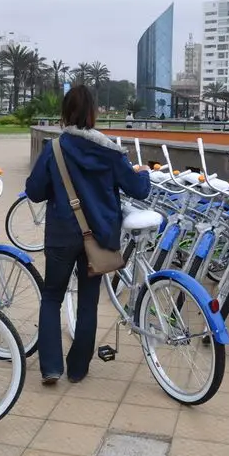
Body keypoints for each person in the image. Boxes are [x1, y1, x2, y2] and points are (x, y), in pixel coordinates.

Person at [25, 85, 151, 384]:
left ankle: (51, 367)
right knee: (88, 301)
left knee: (51, 297)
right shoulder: (110, 151)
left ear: (65, 113)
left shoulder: (54, 149)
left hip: (61, 234)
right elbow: (139, 190)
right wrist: (143, 172)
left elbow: (34, 191)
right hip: (99, 237)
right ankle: (78, 368)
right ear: (93, 113)